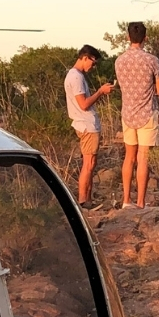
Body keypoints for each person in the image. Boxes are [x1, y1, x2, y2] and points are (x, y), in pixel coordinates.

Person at [114, 21, 159, 208]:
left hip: (128, 112)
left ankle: (126, 200)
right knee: (143, 157)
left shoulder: (119, 61)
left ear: (128, 37)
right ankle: (141, 202)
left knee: (129, 156)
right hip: (147, 112)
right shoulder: (152, 61)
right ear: (145, 38)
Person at [64, 44, 113, 207]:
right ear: (85, 58)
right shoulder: (76, 77)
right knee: (88, 163)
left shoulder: (76, 76)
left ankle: (88, 199)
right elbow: (84, 104)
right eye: (93, 63)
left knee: (91, 162)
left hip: (86, 124)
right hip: (86, 125)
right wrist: (100, 92)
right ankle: (83, 200)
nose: (93, 67)